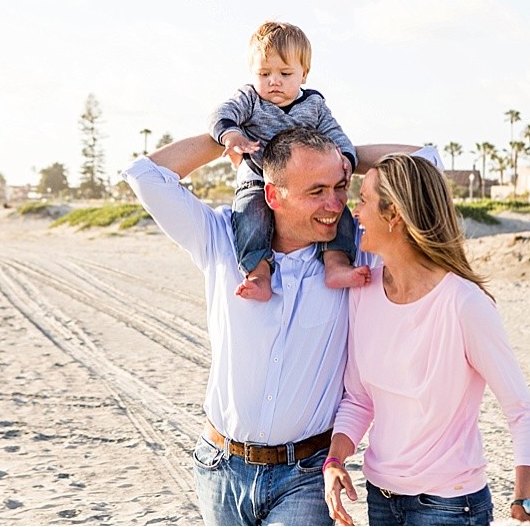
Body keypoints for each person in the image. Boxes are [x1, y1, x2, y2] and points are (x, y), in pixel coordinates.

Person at [123, 128, 440, 526]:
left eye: (341, 186)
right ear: (273, 195)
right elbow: (144, 175)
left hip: (306, 476)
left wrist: (346, 154)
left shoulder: (358, 255)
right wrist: (234, 139)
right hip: (220, 467)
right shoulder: (222, 239)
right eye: (316, 190)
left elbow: (429, 162)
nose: (335, 204)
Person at [322, 153, 530, 526]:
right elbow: (359, 398)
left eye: (363, 201)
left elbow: (522, 410)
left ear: (394, 214)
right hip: (381, 498)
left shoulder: (464, 303)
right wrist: (334, 461)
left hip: (449, 507)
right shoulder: (363, 288)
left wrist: (525, 500)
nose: (353, 213)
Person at [209, 21, 366, 302]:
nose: (274, 81)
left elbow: (336, 135)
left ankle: (336, 264)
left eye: (285, 73)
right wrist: (231, 134)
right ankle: (258, 273)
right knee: (250, 217)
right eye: (264, 73)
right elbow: (222, 113)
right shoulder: (250, 100)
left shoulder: (314, 105)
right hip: (257, 175)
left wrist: (346, 161)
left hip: (302, 181)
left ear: (304, 74)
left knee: (337, 211)